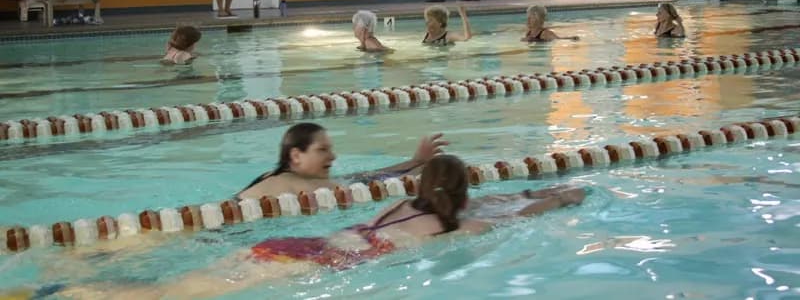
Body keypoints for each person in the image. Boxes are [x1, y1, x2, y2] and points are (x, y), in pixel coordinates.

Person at [53, 156, 585, 299]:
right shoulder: (455, 230)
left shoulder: (402, 207)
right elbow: (514, 211)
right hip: (315, 263)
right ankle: (74, 291)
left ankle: (79, 277)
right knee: (175, 294)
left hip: (297, 244)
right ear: (462, 195)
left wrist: (535, 191)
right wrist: (561, 196)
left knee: (180, 285)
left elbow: (499, 201)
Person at [236, 123, 448, 199]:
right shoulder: (297, 184)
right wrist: (425, 173)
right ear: (296, 156)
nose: (333, 156)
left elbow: (361, 179)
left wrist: (414, 161)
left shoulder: (275, 176)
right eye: (322, 150)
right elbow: (373, 185)